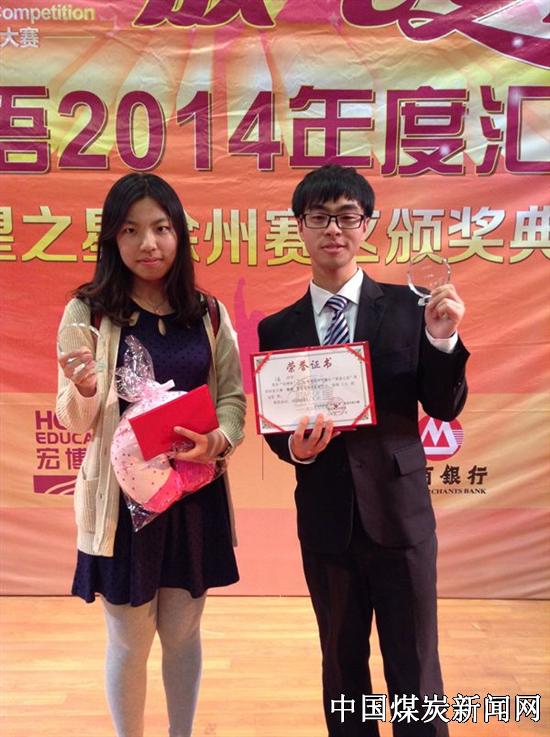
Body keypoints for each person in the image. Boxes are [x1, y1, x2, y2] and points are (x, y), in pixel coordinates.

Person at [258, 165, 468, 737]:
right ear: (299, 226)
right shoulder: (278, 329)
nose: (334, 229)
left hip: (400, 518)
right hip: (327, 523)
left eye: (347, 216)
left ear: (367, 225)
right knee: (343, 669)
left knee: (415, 668)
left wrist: (443, 338)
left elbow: (443, 406)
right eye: (320, 217)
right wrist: (296, 450)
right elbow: (276, 426)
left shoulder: (411, 308)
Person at [56, 172, 246, 737]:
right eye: (131, 230)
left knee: (184, 633)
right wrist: (85, 389)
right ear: (112, 239)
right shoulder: (87, 313)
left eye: (161, 228)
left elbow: (232, 398)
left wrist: (218, 440)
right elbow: (73, 418)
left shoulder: (207, 313)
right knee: (128, 638)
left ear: (179, 234)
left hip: (192, 496)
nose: (148, 243)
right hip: (121, 506)